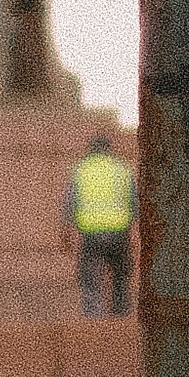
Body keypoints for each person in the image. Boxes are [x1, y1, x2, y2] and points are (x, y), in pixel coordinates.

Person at [69, 131, 135, 318]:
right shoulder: (122, 168)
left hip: (90, 233)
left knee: (90, 278)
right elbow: (134, 202)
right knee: (121, 277)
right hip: (119, 232)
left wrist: (65, 230)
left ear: (92, 149)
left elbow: (70, 201)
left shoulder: (82, 169)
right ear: (109, 150)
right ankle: (120, 318)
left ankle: (94, 319)